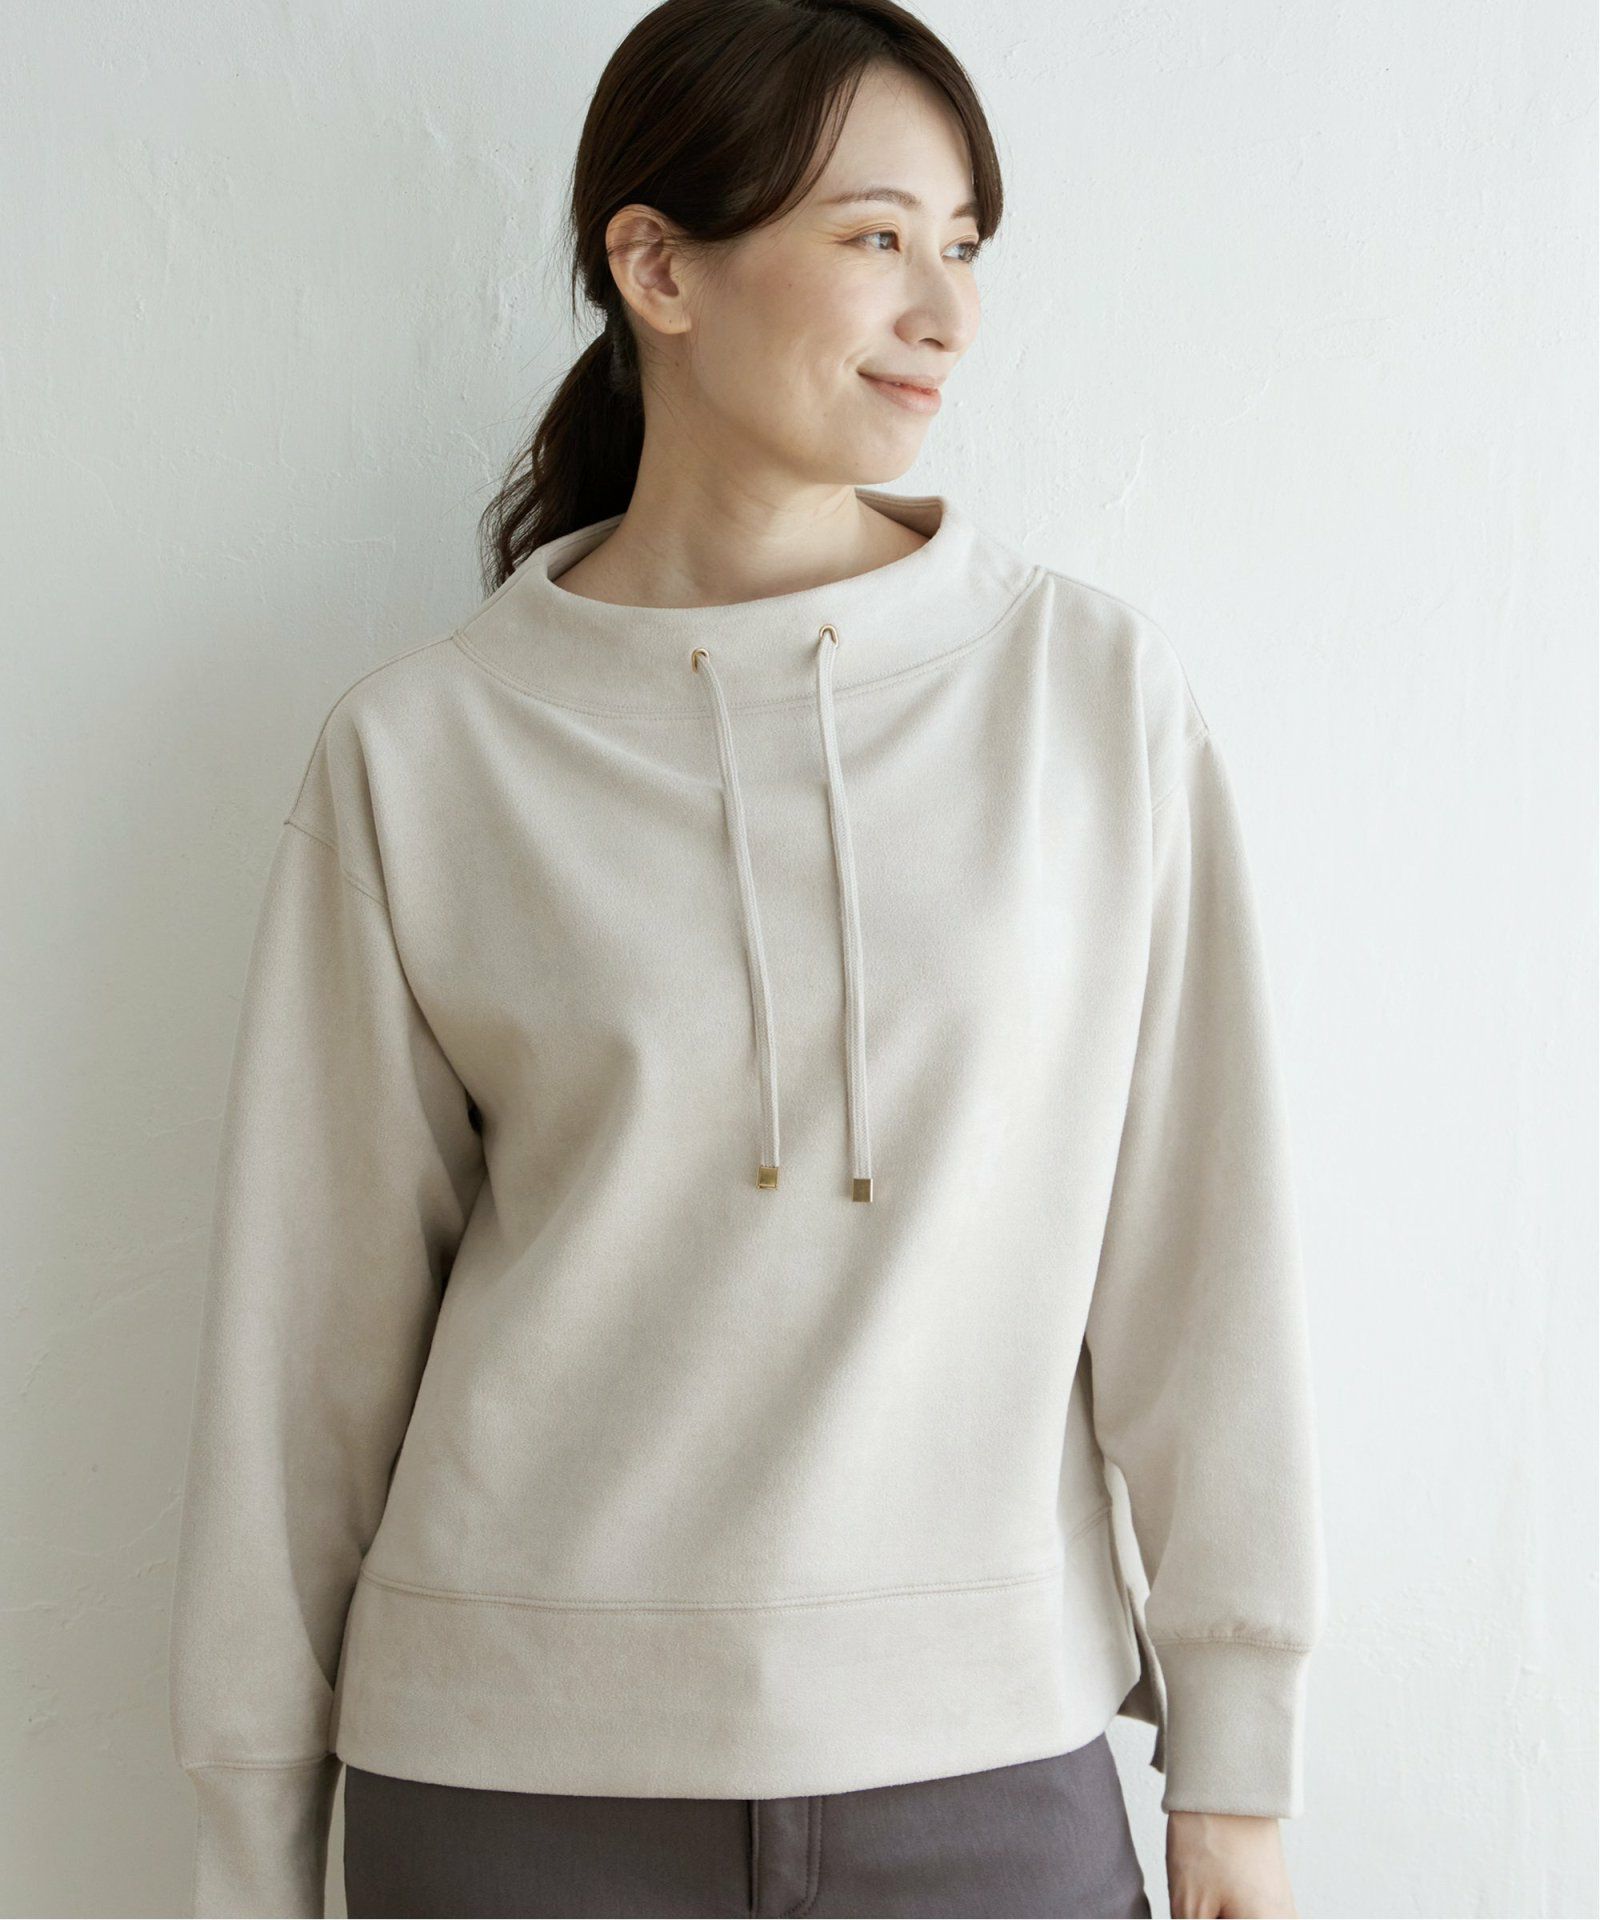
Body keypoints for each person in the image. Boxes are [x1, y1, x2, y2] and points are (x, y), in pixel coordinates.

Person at [166, 2, 1327, 1916]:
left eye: (964, 247)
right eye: (877, 237)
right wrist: (249, 1850)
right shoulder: (426, 753)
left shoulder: (1089, 699)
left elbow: (1203, 1258)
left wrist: (1240, 1761)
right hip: (509, 1795)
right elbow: (306, 1365)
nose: (945, 313)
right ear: (658, 267)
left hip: (985, 1779)